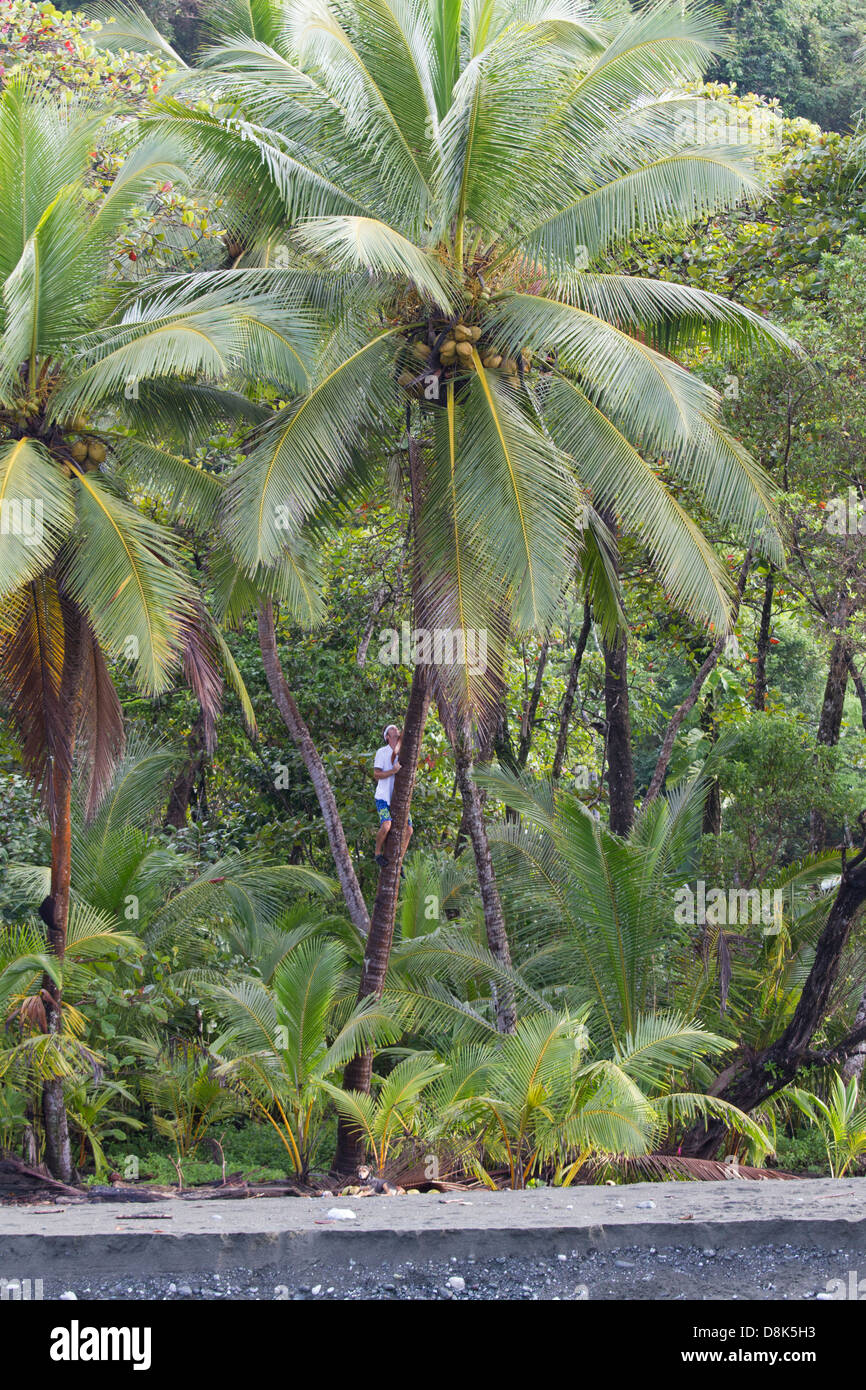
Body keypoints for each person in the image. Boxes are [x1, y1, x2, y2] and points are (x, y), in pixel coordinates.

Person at [373, 723, 413, 868]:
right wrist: (392, 771)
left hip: (399, 798)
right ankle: (377, 853)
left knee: (409, 829)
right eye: (392, 730)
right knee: (386, 826)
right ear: (387, 737)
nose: (395, 730)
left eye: (397, 729)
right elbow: (376, 774)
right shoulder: (382, 752)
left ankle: (399, 859)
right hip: (383, 797)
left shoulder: (402, 751)